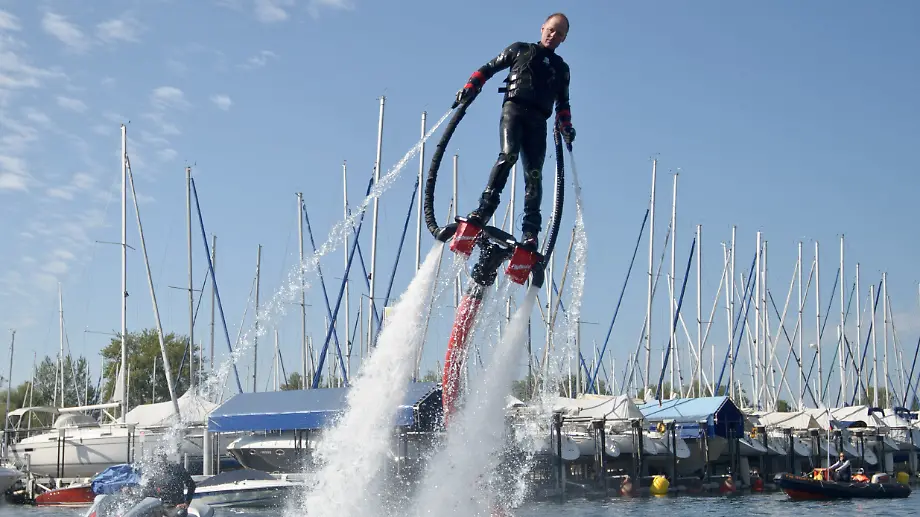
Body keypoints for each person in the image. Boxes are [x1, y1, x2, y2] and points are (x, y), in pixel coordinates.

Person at [455, 12, 576, 251]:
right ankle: (484, 210)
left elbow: (563, 103)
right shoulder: (520, 49)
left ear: (564, 39)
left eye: (559, 33)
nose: (553, 35)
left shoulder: (561, 69)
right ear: (543, 27)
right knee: (508, 155)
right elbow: (489, 68)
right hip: (515, 111)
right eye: (551, 29)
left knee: (534, 174)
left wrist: (567, 127)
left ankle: (530, 231)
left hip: (538, 120)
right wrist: (471, 86)